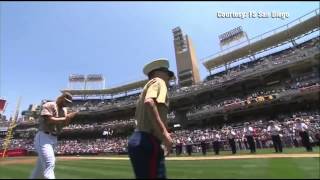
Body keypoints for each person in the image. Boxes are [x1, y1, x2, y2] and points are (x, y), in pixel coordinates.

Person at [128, 58, 174, 179]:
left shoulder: (145, 88)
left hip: (138, 138)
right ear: (158, 72)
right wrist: (164, 134)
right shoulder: (159, 81)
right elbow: (150, 102)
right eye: (167, 73)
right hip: (148, 139)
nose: (169, 77)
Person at [30, 92, 77, 179]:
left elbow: (64, 124)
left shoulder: (64, 110)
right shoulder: (49, 105)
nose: (66, 103)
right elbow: (48, 120)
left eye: (68, 102)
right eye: (65, 101)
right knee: (50, 162)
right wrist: (65, 118)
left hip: (54, 138)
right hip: (43, 136)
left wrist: (69, 119)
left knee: (39, 170)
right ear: (61, 98)